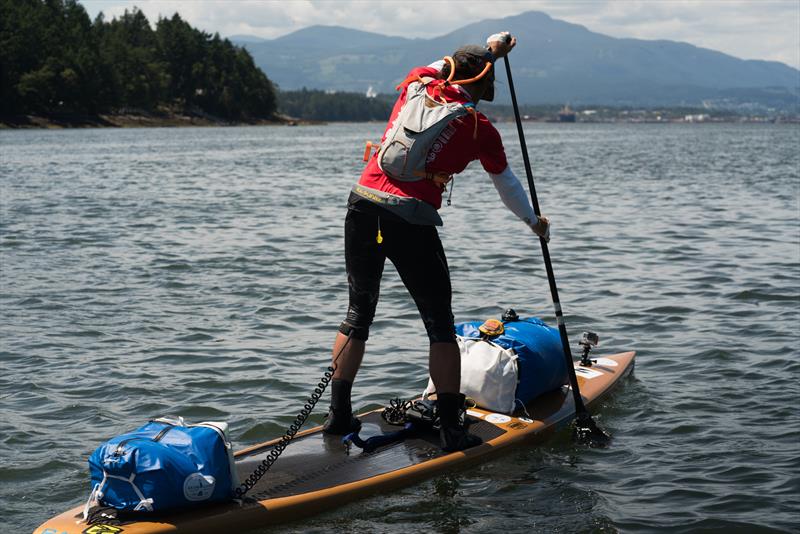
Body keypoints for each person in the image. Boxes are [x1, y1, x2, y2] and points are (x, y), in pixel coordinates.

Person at [324, 32, 550, 452]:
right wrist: (533, 221)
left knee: (358, 313)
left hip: (362, 205)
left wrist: (488, 49)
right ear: (484, 87)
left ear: (450, 69)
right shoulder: (480, 127)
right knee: (439, 323)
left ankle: (337, 416)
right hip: (409, 218)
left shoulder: (417, 84)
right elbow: (507, 185)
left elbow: (437, 65)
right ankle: (450, 429)